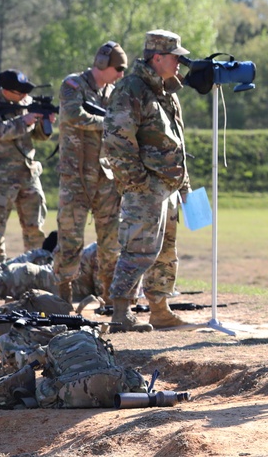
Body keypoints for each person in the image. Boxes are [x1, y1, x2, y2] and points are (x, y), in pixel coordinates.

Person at [103, 30, 191, 332]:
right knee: (138, 250)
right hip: (146, 188)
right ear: (157, 58)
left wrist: (185, 186)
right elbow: (116, 138)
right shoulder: (132, 89)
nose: (180, 63)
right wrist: (137, 181)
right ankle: (121, 313)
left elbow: (177, 143)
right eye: (175, 57)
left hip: (168, 187)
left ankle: (159, 309)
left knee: (165, 252)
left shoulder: (166, 91)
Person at [52, 42, 127, 304]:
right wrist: (109, 123)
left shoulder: (112, 91)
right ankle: (64, 297)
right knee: (70, 239)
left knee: (111, 241)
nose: (120, 74)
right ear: (103, 64)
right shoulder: (73, 84)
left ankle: (111, 298)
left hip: (105, 177)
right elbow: (74, 115)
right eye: (118, 68)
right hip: (76, 177)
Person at [0, 70, 55, 262]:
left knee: (34, 229)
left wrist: (45, 124)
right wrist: (24, 121)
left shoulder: (26, 103)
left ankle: (36, 272)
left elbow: (37, 136)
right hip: (1, 178)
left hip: (28, 174)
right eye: (21, 92)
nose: (25, 96)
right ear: (7, 90)